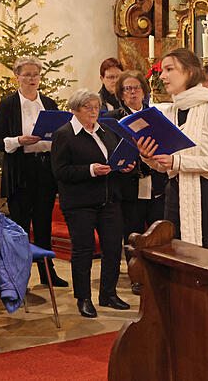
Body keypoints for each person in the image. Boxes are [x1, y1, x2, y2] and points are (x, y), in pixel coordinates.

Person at [136, 48, 208, 257]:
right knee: (177, 258)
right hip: (176, 194)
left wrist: (177, 162)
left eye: (169, 69)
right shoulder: (172, 110)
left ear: (190, 72)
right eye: (162, 70)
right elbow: (167, 165)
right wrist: (148, 157)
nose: (162, 75)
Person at [51, 89, 132, 318]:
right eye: (88, 107)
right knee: (83, 251)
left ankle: (108, 294)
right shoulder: (64, 135)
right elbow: (60, 171)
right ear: (74, 110)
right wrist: (90, 170)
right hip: (80, 204)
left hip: (109, 200)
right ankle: (84, 298)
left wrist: (124, 167)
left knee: (113, 249)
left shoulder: (106, 131)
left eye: (97, 107)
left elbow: (115, 158)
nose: (94, 111)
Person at [0, 57, 67, 287]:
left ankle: (48, 273)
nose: (32, 79)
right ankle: (19, 277)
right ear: (17, 76)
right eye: (27, 74)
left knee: (44, 223)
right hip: (20, 171)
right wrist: (19, 140)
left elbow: (61, 134)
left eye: (36, 74)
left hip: (45, 168)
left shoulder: (49, 103)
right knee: (20, 227)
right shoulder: (8, 104)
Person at [102, 72, 166, 268]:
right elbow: (107, 151)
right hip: (128, 183)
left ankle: (155, 273)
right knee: (133, 232)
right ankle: (135, 274)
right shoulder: (112, 118)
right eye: (127, 89)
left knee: (157, 231)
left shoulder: (156, 115)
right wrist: (120, 165)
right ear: (120, 94)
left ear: (144, 91)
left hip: (155, 182)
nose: (132, 93)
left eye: (136, 87)